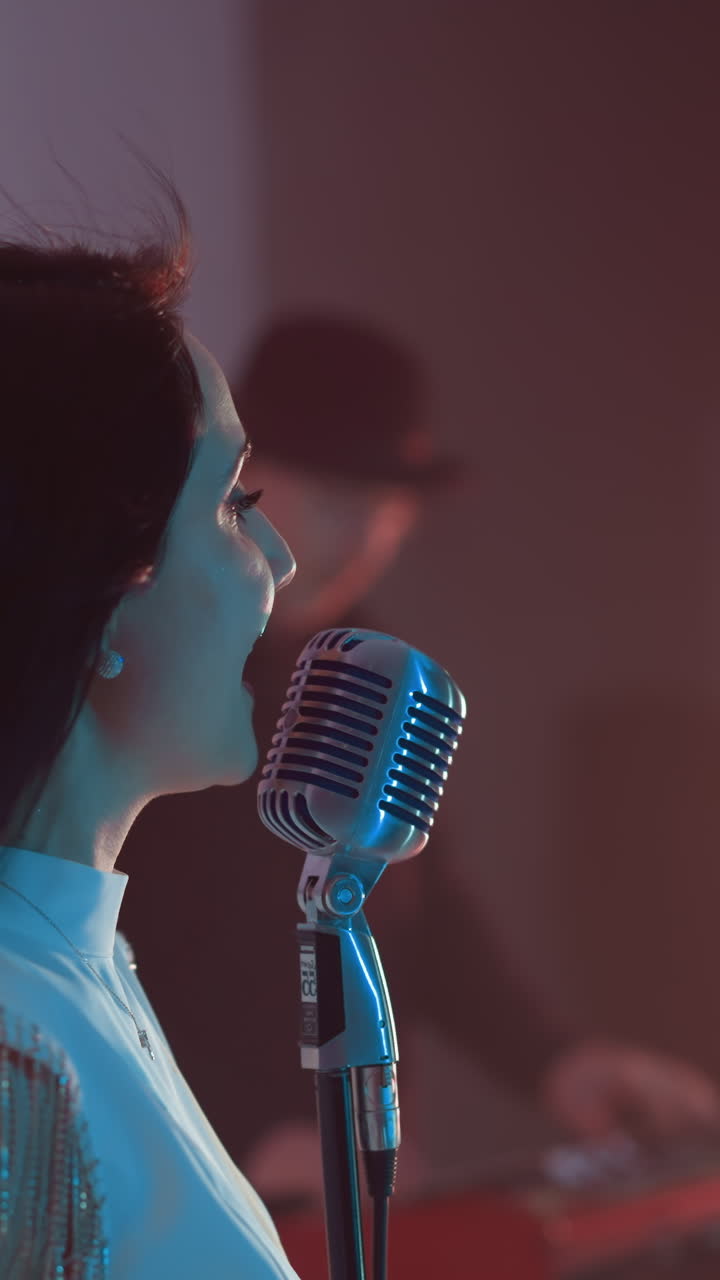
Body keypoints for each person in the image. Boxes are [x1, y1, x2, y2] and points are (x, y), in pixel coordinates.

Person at [119, 311, 720, 1211]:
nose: (363, 537)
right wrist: (230, 1123)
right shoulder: (152, 669)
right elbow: (94, 939)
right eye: (334, 497)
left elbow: (416, 904)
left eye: (388, 507)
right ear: (241, 481)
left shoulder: (372, 667)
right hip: (167, 1175)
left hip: (339, 1189)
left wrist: (555, 1059)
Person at [0, 164, 302, 1278]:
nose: (277, 563)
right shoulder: (13, 1047)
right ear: (100, 577)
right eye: (234, 503)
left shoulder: (85, 963)